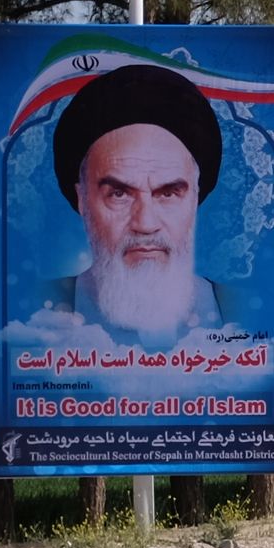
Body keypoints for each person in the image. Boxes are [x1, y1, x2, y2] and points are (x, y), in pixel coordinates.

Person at [29, 63, 240, 347]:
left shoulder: (241, 311)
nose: (145, 223)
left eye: (167, 194)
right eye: (119, 194)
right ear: (81, 199)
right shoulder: (36, 312)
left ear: (194, 197)